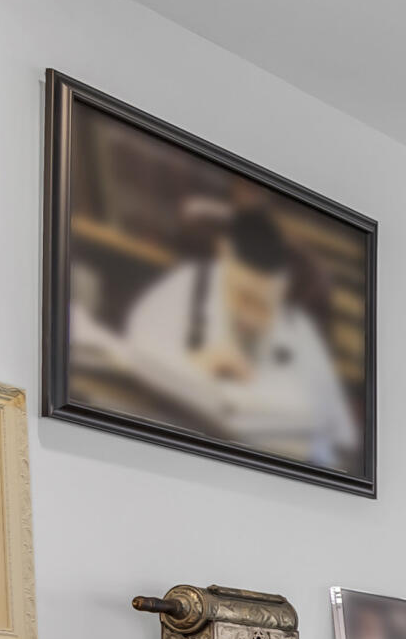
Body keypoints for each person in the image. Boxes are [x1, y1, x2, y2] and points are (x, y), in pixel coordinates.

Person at [95, 203, 362, 474]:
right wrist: (195, 365)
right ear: (225, 255)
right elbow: (138, 353)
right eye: (245, 297)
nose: (252, 318)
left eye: (265, 306)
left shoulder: (297, 326)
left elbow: (339, 436)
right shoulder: (188, 287)